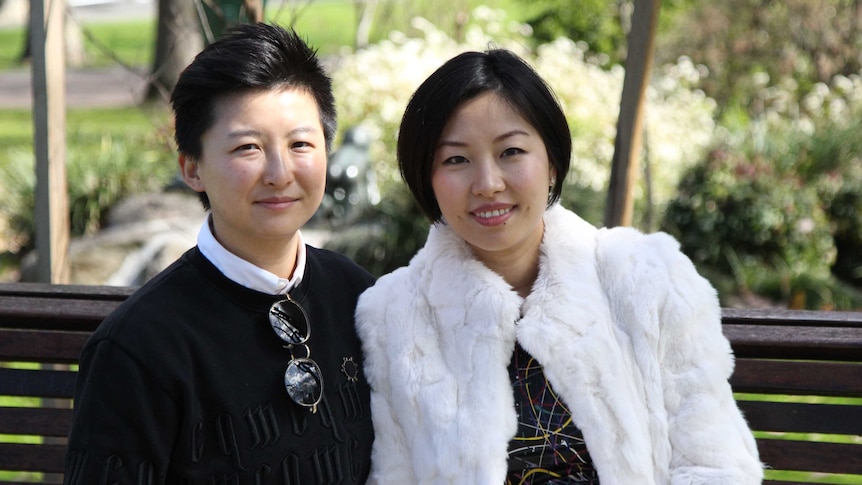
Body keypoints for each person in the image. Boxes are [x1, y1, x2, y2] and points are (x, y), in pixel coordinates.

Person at [355, 49, 763, 484]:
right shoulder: (393, 315)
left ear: (550, 161)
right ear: (426, 177)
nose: (488, 184)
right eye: (456, 159)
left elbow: (714, 465)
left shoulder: (645, 277)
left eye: (511, 151)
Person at [64, 23, 375, 484]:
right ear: (192, 169)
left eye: (301, 144)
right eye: (247, 147)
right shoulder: (140, 347)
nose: (279, 172)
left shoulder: (355, 295)